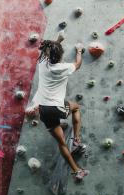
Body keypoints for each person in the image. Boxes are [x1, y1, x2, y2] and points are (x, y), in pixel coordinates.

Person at [25, 33, 89, 181]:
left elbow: (46, 50)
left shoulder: (42, 64)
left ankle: (76, 171)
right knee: (76, 107)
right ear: (59, 56)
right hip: (56, 108)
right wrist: (79, 50)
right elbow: (78, 64)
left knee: (61, 143)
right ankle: (77, 139)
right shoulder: (63, 67)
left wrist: (58, 40)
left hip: (44, 110)